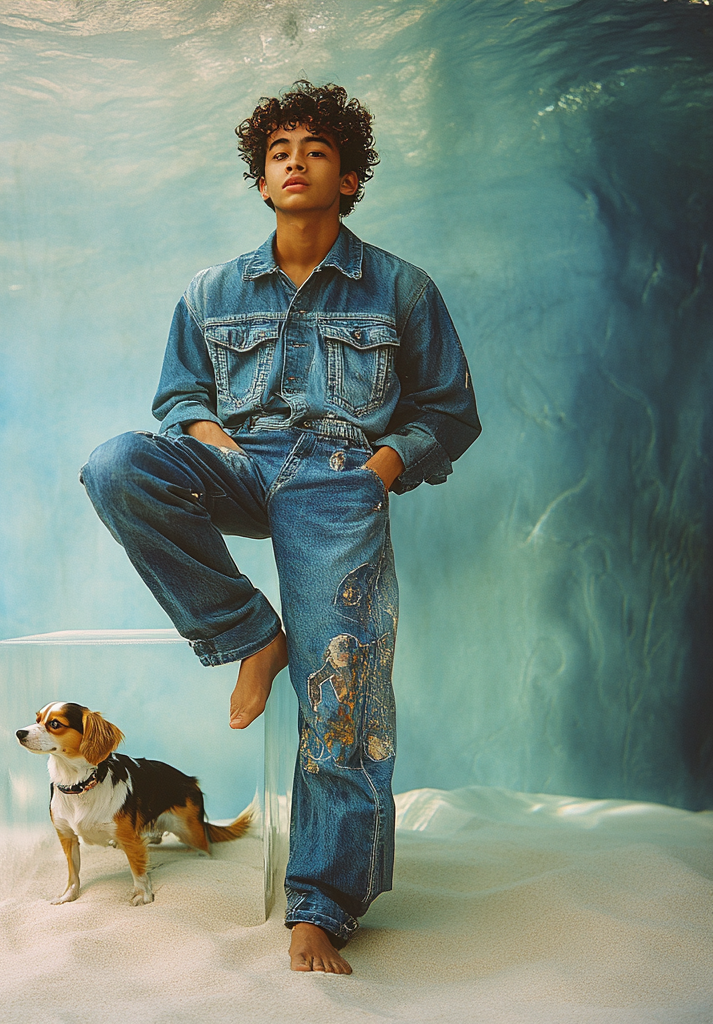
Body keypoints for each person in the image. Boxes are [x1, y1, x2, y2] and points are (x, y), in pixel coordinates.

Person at [81, 81, 480, 974]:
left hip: (340, 480)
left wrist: (383, 467)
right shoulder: (210, 290)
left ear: (349, 176)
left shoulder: (403, 289)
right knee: (115, 464)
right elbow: (179, 395)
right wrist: (212, 438)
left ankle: (322, 904)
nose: (295, 161)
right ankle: (248, 632)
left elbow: (449, 413)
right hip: (238, 463)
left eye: (317, 150)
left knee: (341, 684)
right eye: (278, 152)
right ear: (262, 180)